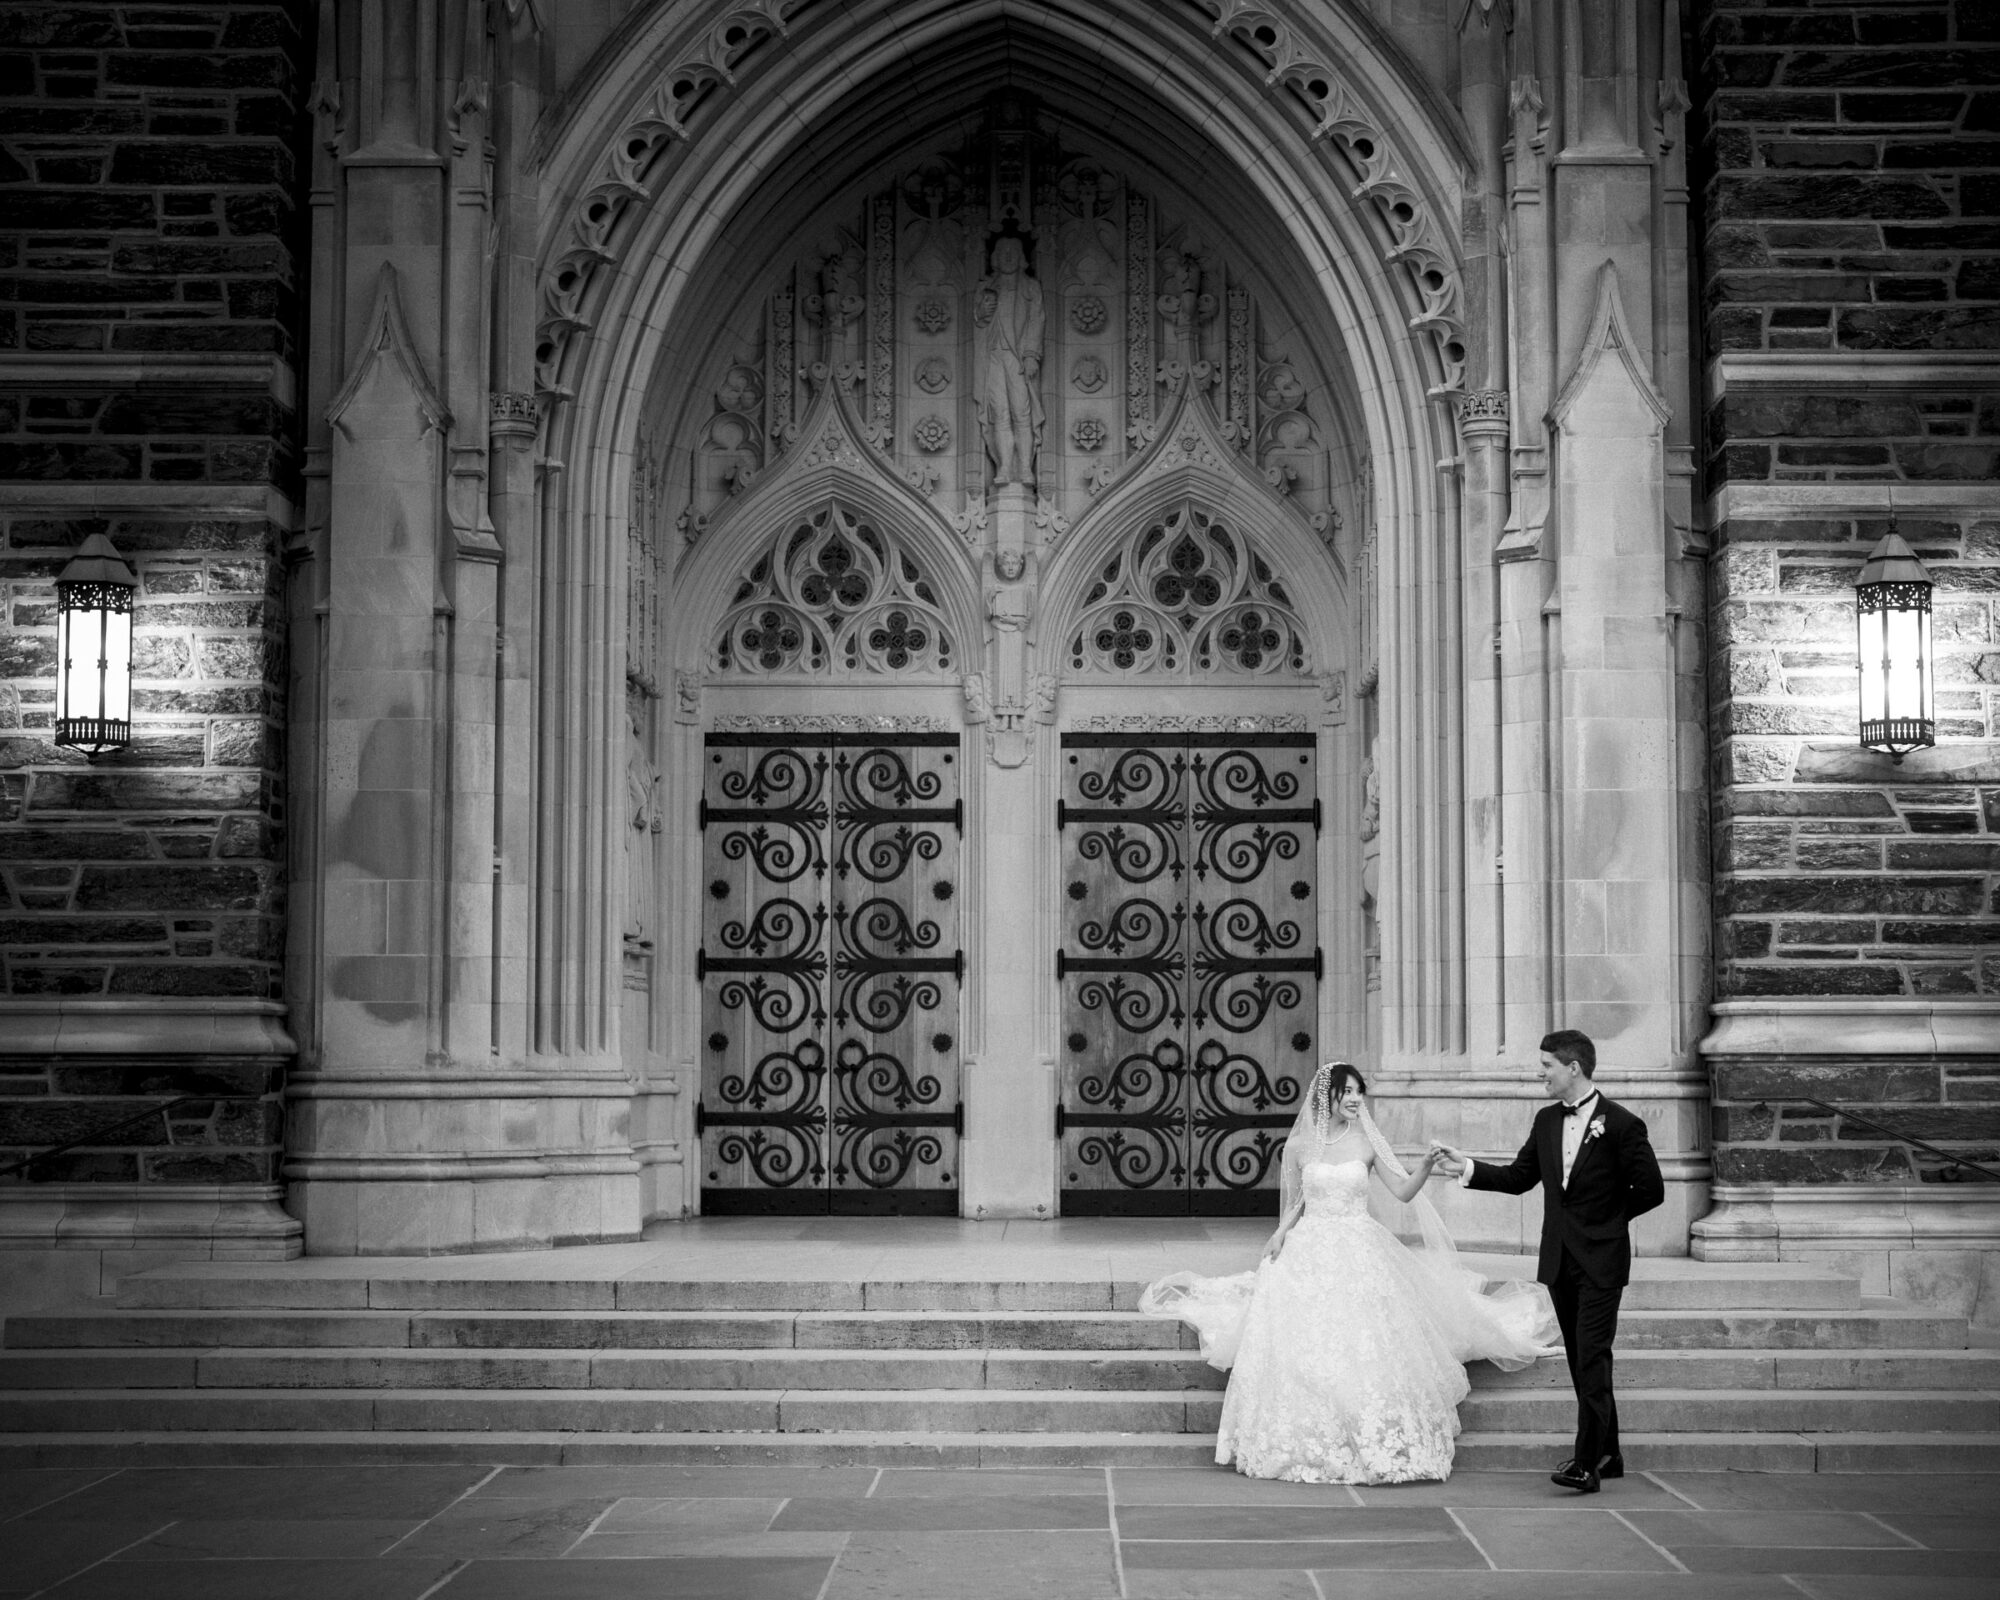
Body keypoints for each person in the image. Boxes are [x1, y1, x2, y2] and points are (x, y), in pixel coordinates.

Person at [1140, 1063, 1558, 1484]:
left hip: (1360, 1248)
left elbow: (1403, 1191)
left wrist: (1427, 1166)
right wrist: (1281, 1233)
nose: (1357, 1099)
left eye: (1360, 1091)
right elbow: (1296, 1201)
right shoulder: (1301, 1145)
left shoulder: (1368, 1142)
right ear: (1328, 1096)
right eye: (1348, 1092)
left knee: (1363, 1337)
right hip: (1310, 1247)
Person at [1432, 1029, 1665, 1495]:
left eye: (1546, 1066)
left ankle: (1585, 1463)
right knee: (1582, 1358)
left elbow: (1652, 1190)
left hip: (1602, 1261)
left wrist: (1607, 1223)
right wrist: (1469, 1168)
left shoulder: (1621, 1124)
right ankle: (1610, 1452)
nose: (1541, 1074)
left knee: (1593, 1356)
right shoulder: (1544, 1121)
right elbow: (1521, 1178)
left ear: (1572, 1068)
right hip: (1559, 1260)